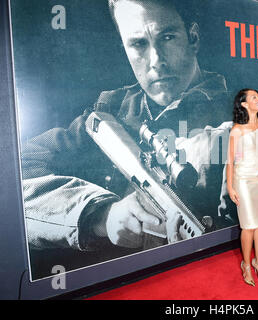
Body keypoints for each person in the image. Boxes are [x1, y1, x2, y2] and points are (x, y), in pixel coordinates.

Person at [20, 0, 233, 278]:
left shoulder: (240, 113)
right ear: (124, 48)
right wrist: (101, 215)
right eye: (138, 45)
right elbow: (13, 176)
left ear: (193, 38)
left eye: (167, 37)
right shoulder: (111, 111)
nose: (156, 60)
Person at [226, 89, 258, 286]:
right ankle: (245, 263)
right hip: (243, 181)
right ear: (244, 104)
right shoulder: (237, 130)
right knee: (248, 226)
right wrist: (230, 186)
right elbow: (230, 162)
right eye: (254, 97)